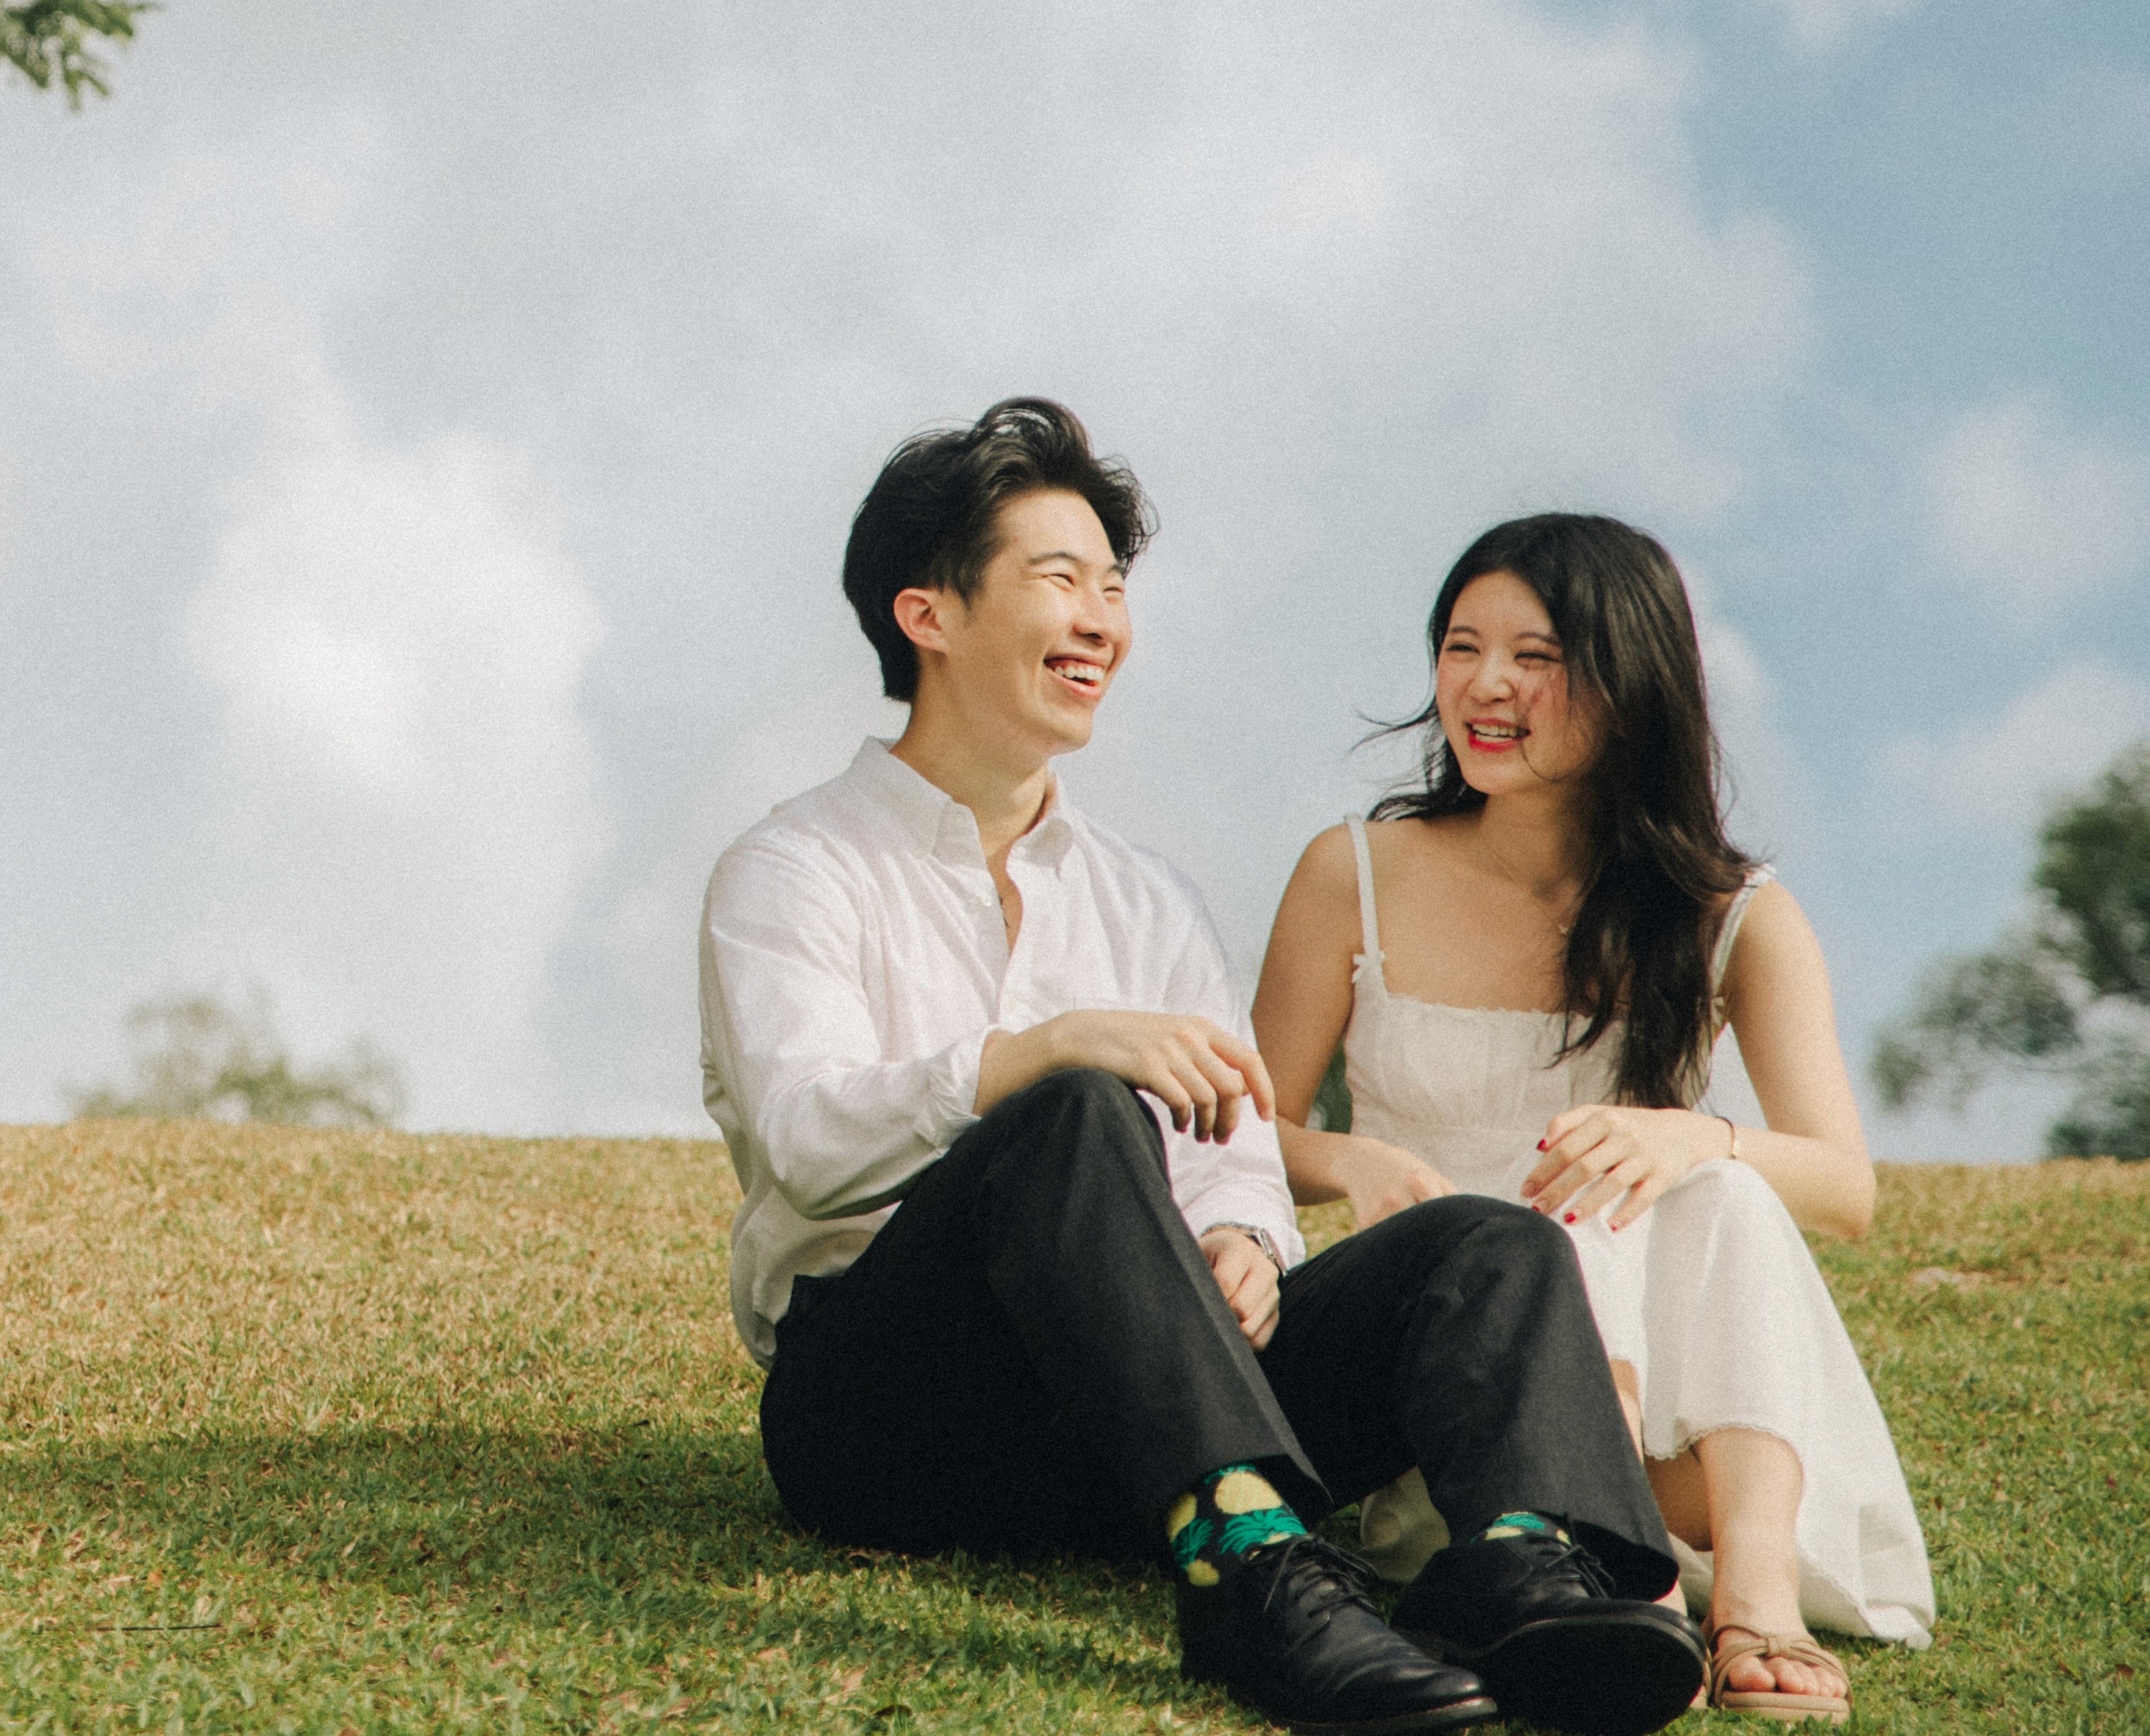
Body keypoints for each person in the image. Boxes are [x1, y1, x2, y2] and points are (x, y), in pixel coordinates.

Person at [703, 399, 1705, 1736]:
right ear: (926, 613)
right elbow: (803, 1136)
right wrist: (1038, 1053)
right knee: (1066, 1112)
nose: (1104, 619)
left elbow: (1230, 1136)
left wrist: (1242, 1233)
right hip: (891, 1419)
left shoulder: (1148, 898)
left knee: (1489, 1245)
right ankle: (1251, 1569)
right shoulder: (794, 868)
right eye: (1059, 578)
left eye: (1114, 586)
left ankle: (1530, 1570)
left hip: (1123, 1421)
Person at [1250, 515, 1935, 1724]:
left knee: (1708, 1186)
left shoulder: (1735, 914)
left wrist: (1696, 1134)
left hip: (1692, 1421)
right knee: (1541, 1233)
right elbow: (1241, 1137)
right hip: (1459, 1398)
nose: (1487, 685)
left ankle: (1754, 1596)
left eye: (1536, 654)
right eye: (1462, 648)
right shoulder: (1350, 870)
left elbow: (1846, 1185)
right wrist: (1349, 1156)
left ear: (1632, 683)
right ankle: (1623, 1571)